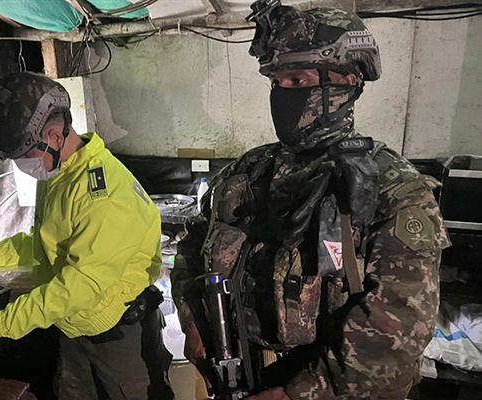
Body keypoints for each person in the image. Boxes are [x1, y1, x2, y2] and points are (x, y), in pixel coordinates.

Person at [171, 3, 450, 400]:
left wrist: (297, 392)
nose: (283, 93)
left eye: (297, 79)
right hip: (242, 374)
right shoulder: (247, 171)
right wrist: (192, 320)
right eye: (276, 82)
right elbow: (192, 245)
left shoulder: (393, 189)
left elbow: (399, 325)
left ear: (346, 82)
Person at [0, 72, 173, 400]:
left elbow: (78, 287)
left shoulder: (105, 197)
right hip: (74, 324)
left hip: (118, 336)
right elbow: (46, 242)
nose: (21, 166)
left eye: (23, 156)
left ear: (53, 137)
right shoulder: (59, 173)